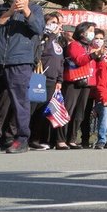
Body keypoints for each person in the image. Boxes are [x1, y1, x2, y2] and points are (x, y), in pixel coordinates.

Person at [0, 0, 45, 154]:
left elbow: (38, 29)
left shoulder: (35, 9)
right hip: (0, 61)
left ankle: (22, 139)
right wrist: (9, 12)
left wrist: (25, 11)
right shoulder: (1, 8)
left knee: (20, 102)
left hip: (20, 62)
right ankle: (2, 138)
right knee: (1, 104)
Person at [57, 21, 102, 149]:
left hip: (87, 82)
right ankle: (60, 139)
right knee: (68, 110)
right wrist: (93, 55)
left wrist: (98, 56)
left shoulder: (90, 46)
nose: (92, 33)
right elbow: (80, 60)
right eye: (90, 30)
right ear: (82, 32)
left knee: (79, 113)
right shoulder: (74, 45)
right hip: (74, 81)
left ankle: (72, 138)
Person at [28, 12, 65, 150]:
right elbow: (43, 51)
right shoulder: (42, 38)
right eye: (52, 22)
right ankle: (24, 136)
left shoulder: (57, 41)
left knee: (42, 112)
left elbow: (60, 61)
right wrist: (51, 35)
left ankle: (35, 139)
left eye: (57, 22)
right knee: (32, 109)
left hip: (52, 80)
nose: (55, 25)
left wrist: (59, 79)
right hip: (39, 77)